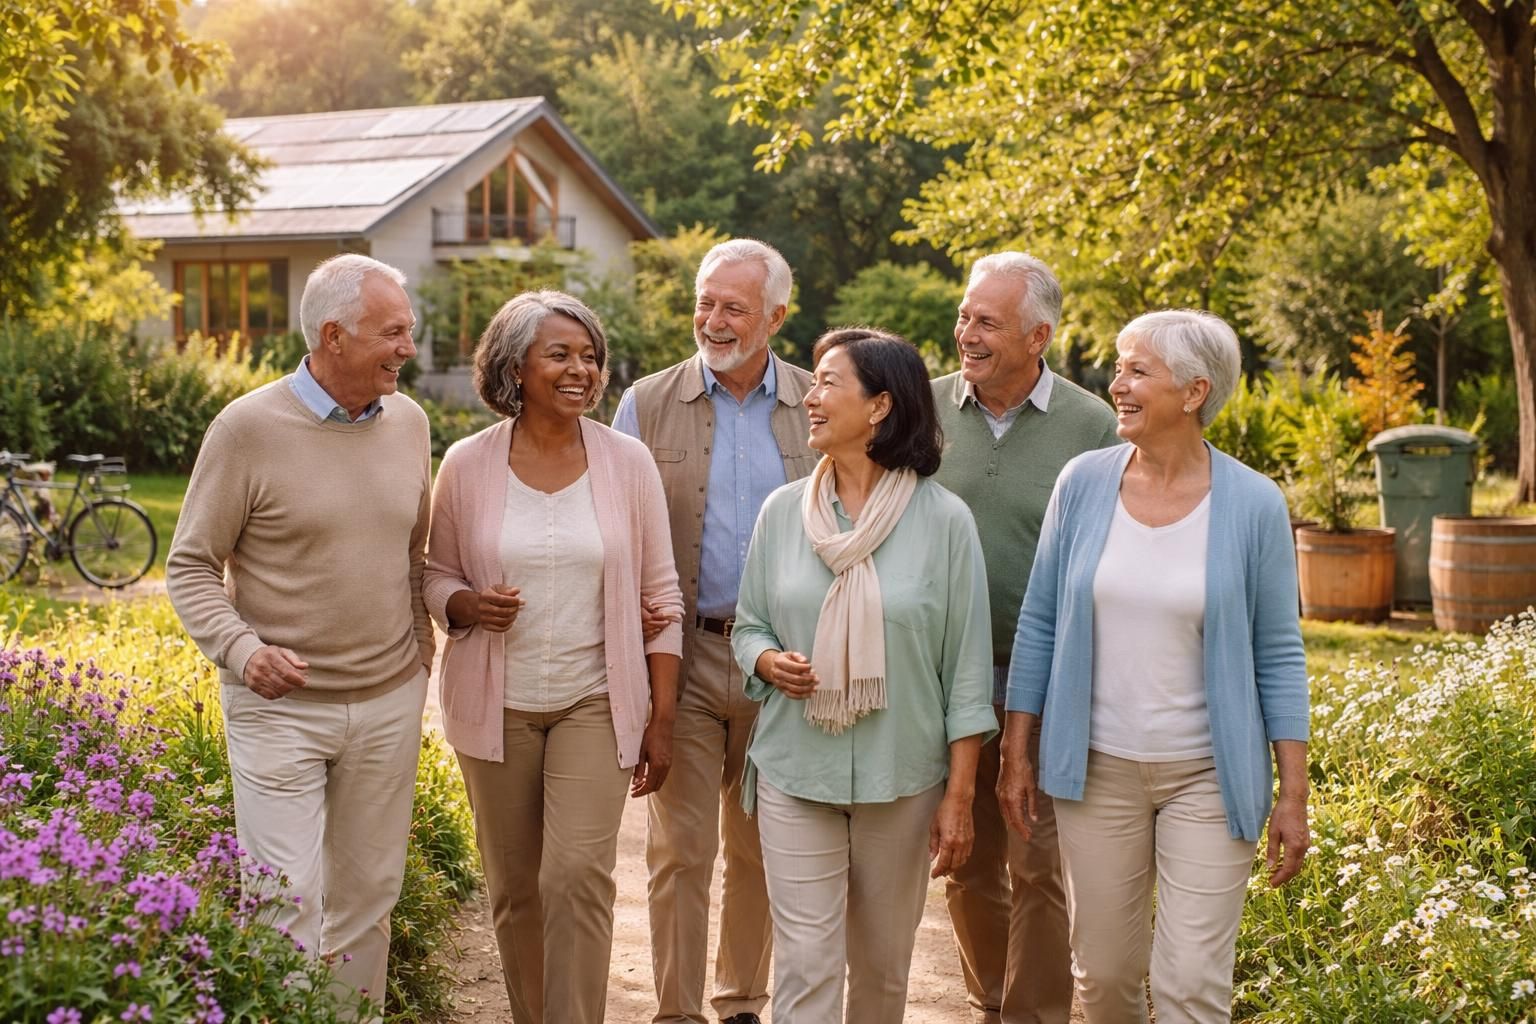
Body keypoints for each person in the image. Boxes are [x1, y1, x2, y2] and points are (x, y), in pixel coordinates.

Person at [999, 310, 1310, 1023]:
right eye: (1119, 368)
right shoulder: (1082, 484)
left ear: (1195, 391)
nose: (1118, 385)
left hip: (1208, 772)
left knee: (1191, 985)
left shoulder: (1255, 503)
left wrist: (1292, 793)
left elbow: (1279, 652)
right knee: (1104, 979)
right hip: (1097, 769)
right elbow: (1041, 619)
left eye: (1139, 370)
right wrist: (1017, 750)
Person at [167, 253, 434, 1008]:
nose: (406, 349)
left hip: (387, 700)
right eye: (392, 333)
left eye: (407, 332)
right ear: (334, 335)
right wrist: (243, 652)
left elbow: (411, 553)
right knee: (283, 900)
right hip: (279, 709)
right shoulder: (246, 430)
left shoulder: (409, 424)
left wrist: (420, 649)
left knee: (368, 900)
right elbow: (189, 567)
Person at [424, 290, 683, 1024]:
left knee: (576, 876)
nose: (583, 370)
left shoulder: (626, 461)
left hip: (594, 699)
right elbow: (435, 573)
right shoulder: (468, 464)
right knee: (513, 887)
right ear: (515, 367)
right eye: (561, 354)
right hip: (494, 704)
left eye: (591, 356)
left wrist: (659, 719)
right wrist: (467, 606)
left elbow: (661, 594)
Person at [731, 327, 998, 1024]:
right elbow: (749, 624)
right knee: (805, 965)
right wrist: (765, 659)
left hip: (902, 778)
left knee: (882, 970)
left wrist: (960, 797)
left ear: (880, 407)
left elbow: (966, 672)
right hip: (795, 770)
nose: (809, 398)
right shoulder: (783, 513)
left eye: (827, 383)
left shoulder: (945, 522)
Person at [612, 238, 816, 1024]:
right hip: (684, 657)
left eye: (734, 306)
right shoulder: (645, 402)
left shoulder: (814, 400)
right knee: (679, 850)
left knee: (762, 850)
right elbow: (620, 522)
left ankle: (739, 1003)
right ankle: (674, 1011)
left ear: (776, 317)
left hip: (778, 660)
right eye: (705, 301)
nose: (715, 320)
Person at [931, 252, 1121, 1024]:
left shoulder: (1093, 425)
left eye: (987, 321)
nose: (966, 334)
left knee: (1035, 858)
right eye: (964, 316)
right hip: (945, 672)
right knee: (963, 856)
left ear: (1039, 335)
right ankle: (990, 1001)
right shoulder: (924, 409)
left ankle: (1035, 1015)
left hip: (1043, 670)